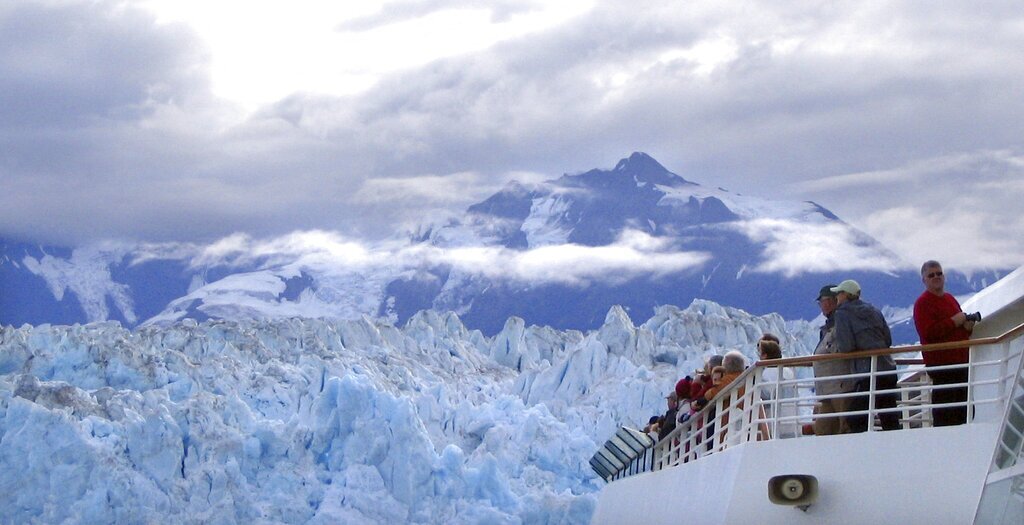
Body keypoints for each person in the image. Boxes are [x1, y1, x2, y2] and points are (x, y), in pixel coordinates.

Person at [831, 280, 900, 432]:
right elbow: (887, 339)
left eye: (839, 293)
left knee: (855, 418)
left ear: (846, 295)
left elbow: (846, 346)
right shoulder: (874, 310)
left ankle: (866, 451)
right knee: (889, 416)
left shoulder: (842, 313)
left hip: (866, 372)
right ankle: (896, 450)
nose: (837, 297)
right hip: (887, 368)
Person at [913, 260, 975, 426]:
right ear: (924, 280)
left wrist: (967, 327)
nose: (936, 277)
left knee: (966, 412)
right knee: (946, 413)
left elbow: (958, 327)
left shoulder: (949, 299)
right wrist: (955, 321)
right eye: (931, 275)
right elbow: (929, 333)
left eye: (939, 273)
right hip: (943, 368)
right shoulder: (922, 304)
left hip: (962, 365)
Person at [811, 284, 855, 435]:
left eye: (822, 301)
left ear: (831, 301)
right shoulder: (829, 325)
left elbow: (844, 346)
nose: (822, 306)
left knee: (845, 427)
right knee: (824, 429)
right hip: (828, 388)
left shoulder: (841, 322)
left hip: (841, 385)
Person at [757, 337, 799, 438]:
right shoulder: (789, 372)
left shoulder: (765, 374)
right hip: (792, 422)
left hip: (773, 423)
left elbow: (763, 396)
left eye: (760, 353)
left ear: (765, 356)